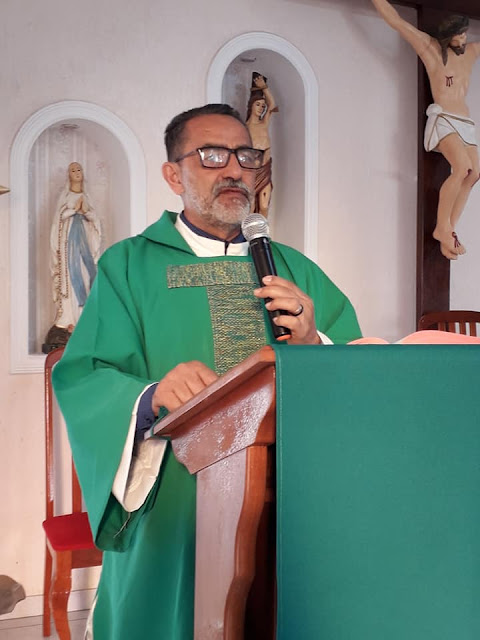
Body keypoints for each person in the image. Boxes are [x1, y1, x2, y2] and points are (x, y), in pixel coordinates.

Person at [52, 103, 361, 639]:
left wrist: (315, 342)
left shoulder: (296, 269)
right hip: (176, 493)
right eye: (213, 156)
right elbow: (87, 375)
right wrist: (151, 394)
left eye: (246, 156)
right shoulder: (129, 266)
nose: (235, 169)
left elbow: (361, 372)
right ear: (174, 175)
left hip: (290, 496)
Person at [371, 0, 480, 260]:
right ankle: (442, 227)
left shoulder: (470, 52)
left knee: (475, 173)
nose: (463, 39)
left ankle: (448, 228)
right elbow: (396, 21)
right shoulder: (429, 48)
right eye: (459, 35)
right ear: (447, 36)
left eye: (465, 34)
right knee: (461, 168)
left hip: (464, 122)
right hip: (444, 119)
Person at [45, 162, 102, 351]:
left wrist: (86, 212)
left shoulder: (87, 197)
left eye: (79, 169)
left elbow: (95, 223)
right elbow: (58, 221)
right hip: (68, 252)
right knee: (70, 283)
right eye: (73, 170)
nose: (77, 172)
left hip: (84, 252)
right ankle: (67, 321)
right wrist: (73, 210)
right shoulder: (66, 197)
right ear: (69, 175)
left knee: (86, 279)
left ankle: (84, 319)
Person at [246, 72, 277, 217]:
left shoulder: (264, 123)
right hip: (252, 171)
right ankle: (248, 231)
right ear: (251, 106)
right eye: (257, 104)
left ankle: (264, 230)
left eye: (262, 106)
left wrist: (264, 88)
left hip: (265, 169)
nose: (260, 108)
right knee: (251, 206)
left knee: (264, 206)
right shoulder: (244, 127)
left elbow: (273, 105)